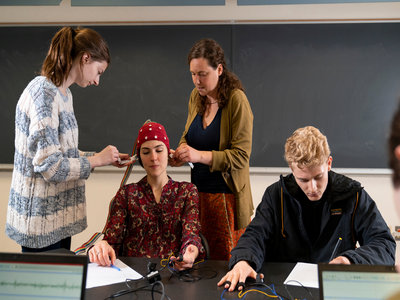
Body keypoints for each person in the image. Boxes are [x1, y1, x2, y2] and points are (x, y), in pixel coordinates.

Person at [218, 126, 396, 291]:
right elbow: (255, 234)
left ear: (329, 163)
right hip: (281, 287)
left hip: (332, 287)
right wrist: (243, 261)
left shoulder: (353, 195)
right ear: (291, 169)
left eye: (318, 177)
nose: (312, 188)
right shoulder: (276, 195)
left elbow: (384, 244)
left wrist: (349, 260)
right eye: (303, 180)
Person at [5, 27, 131, 253]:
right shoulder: (44, 94)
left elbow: (60, 153)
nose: (97, 81)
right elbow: (51, 167)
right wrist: (96, 161)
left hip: (56, 221)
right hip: (41, 224)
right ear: (85, 58)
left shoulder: (63, 94)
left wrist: (101, 158)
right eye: (99, 71)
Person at [171, 38, 254, 260]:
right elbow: (187, 135)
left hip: (226, 199)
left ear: (219, 69)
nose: (197, 81)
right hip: (197, 196)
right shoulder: (196, 97)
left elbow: (240, 156)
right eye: (192, 74)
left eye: (202, 74)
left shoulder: (237, 101)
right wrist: (180, 153)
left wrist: (199, 155)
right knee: (197, 261)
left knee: (224, 263)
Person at [88, 122, 203, 271]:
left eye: (159, 150)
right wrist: (102, 246)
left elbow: (191, 234)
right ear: (140, 157)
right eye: (146, 152)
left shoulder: (187, 191)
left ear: (168, 153)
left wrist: (191, 252)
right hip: (132, 275)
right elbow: (111, 240)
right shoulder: (127, 194)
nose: (153, 158)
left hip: (174, 273)